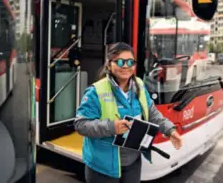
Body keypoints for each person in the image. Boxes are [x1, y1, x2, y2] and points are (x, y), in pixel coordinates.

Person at [74, 42, 182, 183]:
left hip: (132, 162)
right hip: (103, 166)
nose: (125, 66)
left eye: (130, 62)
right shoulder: (96, 91)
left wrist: (170, 130)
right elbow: (81, 124)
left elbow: (152, 113)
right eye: (120, 61)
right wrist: (112, 127)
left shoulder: (140, 85)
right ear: (109, 65)